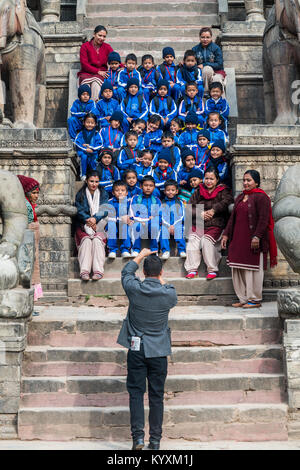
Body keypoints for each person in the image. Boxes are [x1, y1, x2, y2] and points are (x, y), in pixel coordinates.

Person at [117, 249, 178, 450]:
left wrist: (141, 255)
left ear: (143, 272)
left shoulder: (134, 289)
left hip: (137, 349)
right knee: (156, 395)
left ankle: (138, 438)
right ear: (161, 273)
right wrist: (159, 278)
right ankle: (155, 440)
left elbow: (126, 272)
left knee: (136, 393)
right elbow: (167, 289)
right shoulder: (169, 293)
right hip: (158, 350)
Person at [221, 170, 277, 308]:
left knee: (253, 270)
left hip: (254, 240)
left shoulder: (262, 197)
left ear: (256, 182)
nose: (245, 183)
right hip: (238, 239)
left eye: (249, 180)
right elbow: (232, 218)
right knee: (237, 268)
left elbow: (264, 220)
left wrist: (257, 236)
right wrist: (226, 234)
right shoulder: (240, 197)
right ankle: (243, 298)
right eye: (244, 180)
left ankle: (254, 299)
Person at [185, 167, 233, 280]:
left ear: (217, 180)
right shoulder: (198, 191)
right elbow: (189, 207)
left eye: (212, 179)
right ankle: (192, 269)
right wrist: (200, 213)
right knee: (192, 240)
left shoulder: (223, 190)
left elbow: (227, 202)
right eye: (206, 178)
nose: (209, 181)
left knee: (206, 241)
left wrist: (213, 210)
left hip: (215, 224)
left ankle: (212, 269)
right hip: (199, 224)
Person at [74, 170, 109, 280]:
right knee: (87, 241)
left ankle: (98, 271)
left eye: (96, 182)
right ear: (86, 181)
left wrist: (95, 219)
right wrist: (88, 220)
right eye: (91, 181)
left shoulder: (103, 193)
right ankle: (84, 271)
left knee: (97, 240)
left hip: (100, 224)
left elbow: (105, 209)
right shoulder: (81, 194)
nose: (94, 184)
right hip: (83, 225)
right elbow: (79, 211)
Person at [17, 175, 43, 301]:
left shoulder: (29, 205)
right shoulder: (26, 206)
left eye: (37, 193)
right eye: (34, 193)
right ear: (27, 193)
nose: (36, 196)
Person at [78, 25, 114, 102]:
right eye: (99, 35)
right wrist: (97, 71)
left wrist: (123, 65)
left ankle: (94, 108)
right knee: (85, 88)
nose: (102, 38)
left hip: (100, 75)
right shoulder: (85, 46)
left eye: (104, 36)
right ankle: (85, 109)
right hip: (86, 73)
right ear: (94, 34)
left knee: (96, 85)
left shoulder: (107, 47)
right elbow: (84, 64)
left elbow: (114, 58)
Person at [129, 175, 162, 255]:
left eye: (151, 186)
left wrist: (153, 219)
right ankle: (136, 249)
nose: (148, 188)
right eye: (145, 185)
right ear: (141, 186)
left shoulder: (157, 200)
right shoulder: (136, 198)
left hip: (151, 222)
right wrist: (143, 220)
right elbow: (132, 213)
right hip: (139, 222)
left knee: (155, 226)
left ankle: (154, 250)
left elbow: (159, 215)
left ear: (154, 187)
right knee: (137, 226)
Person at [192, 27, 225, 94]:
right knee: (207, 70)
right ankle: (206, 93)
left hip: (217, 72)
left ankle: (221, 102)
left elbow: (219, 64)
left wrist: (204, 64)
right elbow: (192, 62)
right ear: (199, 37)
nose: (205, 39)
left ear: (211, 37)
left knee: (217, 80)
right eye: (203, 37)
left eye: (207, 37)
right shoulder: (195, 49)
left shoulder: (216, 48)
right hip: (202, 74)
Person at [160, 179, 186, 259]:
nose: (170, 192)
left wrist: (174, 225)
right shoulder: (162, 203)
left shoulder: (180, 202)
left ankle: (182, 250)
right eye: (168, 190)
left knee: (179, 230)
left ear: (176, 191)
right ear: (164, 191)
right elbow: (161, 216)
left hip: (176, 225)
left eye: (172, 190)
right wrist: (168, 226)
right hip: (166, 225)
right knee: (163, 231)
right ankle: (166, 251)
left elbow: (182, 215)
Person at [107, 180, 132, 259]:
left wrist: (129, 218)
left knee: (125, 225)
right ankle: (112, 250)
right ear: (113, 193)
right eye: (117, 191)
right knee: (111, 226)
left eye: (123, 190)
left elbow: (132, 213)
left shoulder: (129, 202)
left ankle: (125, 249)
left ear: (127, 192)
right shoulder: (110, 202)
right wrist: (120, 219)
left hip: (124, 224)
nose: (120, 192)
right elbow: (110, 217)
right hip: (113, 223)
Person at [74, 113, 102, 181]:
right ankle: (83, 175)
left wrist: (91, 148)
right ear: (84, 123)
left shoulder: (96, 133)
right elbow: (77, 143)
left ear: (95, 124)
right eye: (88, 122)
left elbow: (99, 144)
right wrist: (86, 149)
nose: (89, 124)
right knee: (84, 157)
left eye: (92, 123)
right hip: (82, 153)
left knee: (93, 160)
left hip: (93, 153)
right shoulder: (80, 133)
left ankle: (94, 175)